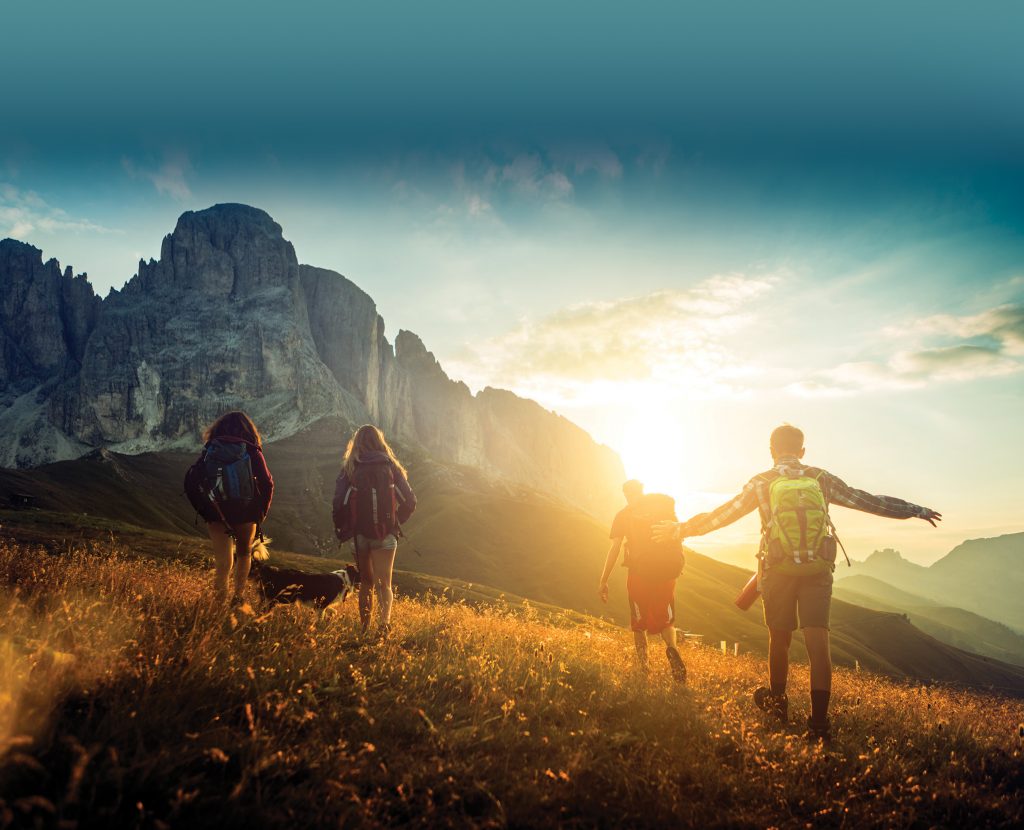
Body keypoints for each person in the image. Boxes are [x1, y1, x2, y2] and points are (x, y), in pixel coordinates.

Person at [654, 424, 941, 742]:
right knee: (819, 645)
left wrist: (681, 530)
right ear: (802, 451)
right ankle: (819, 725)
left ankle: (778, 708)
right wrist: (914, 510)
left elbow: (723, 515)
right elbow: (868, 501)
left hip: (777, 571)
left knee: (779, 641)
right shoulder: (820, 478)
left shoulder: (761, 482)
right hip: (818, 570)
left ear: (771, 451)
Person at [599, 480, 688, 683]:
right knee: (666, 620)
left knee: (639, 623)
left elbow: (614, 549)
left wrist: (603, 580)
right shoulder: (660, 509)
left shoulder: (623, 515)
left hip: (639, 575)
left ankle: (643, 667)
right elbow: (677, 536)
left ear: (625, 494)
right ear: (642, 491)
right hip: (667, 574)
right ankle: (672, 650)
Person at [332, 425, 416, 637]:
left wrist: (344, 528)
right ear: (380, 441)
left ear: (356, 443)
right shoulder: (391, 466)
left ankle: (363, 629)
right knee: (384, 585)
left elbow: (337, 504)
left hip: (360, 535)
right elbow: (411, 501)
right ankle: (383, 626)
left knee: (366, 583)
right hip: (386, 534)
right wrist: (397, 521)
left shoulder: (350, 468)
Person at [186, 411, 274, 604]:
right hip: (246, 511)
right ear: (249, 430)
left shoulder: (211, 449)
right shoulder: (251, 450)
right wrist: (260, 513)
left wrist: (204, 509)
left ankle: (218, 603)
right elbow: (267, 483)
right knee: (244, 554)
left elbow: (192, 480)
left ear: (218, 428)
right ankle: (237, 598)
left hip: (217, 512)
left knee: (223, 563)